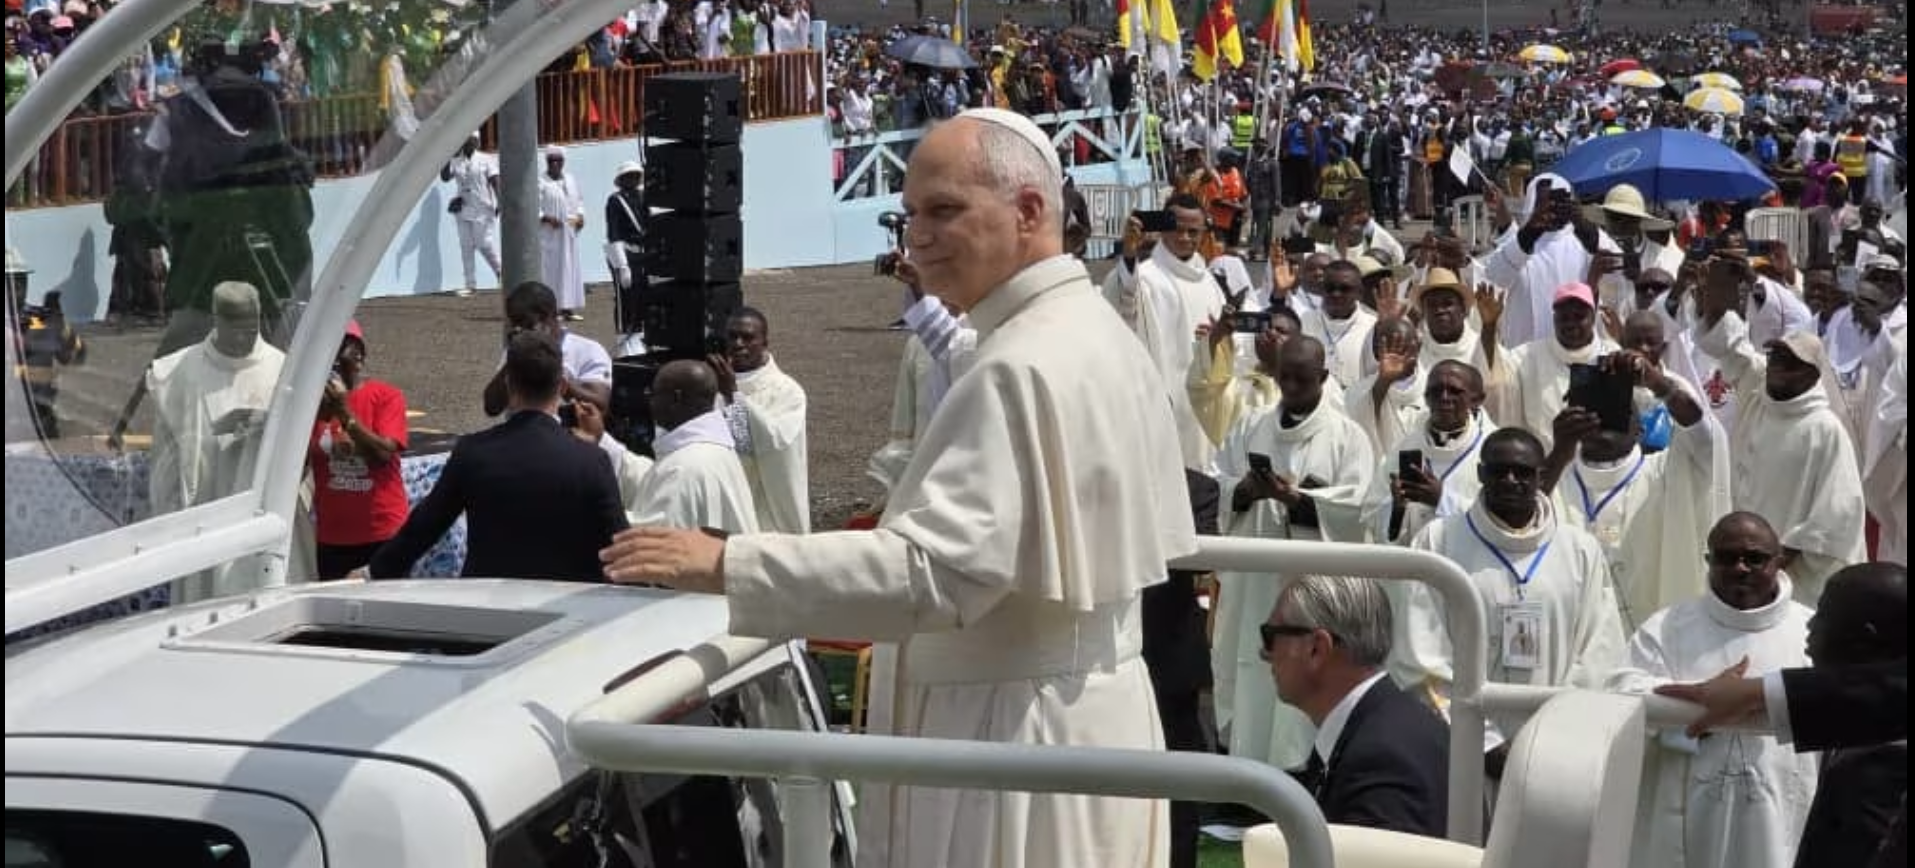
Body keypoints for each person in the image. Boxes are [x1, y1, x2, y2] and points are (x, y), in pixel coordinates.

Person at [600, 108, 1195, 868]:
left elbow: (935, 573)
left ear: (1028, 211)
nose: (917, 236)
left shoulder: (1022, 362)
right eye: (909, 214)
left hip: (1011, 736)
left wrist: (727, 562)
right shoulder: (1088, 328)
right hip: (1080, 719)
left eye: (943, 210)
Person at [1390, 428, 1626, 771]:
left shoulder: (1579, 550)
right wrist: (1485, 745)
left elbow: (1600, 652)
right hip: (1463, 752)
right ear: (1480, 473)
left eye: (1523, 472)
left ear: (1541, 476)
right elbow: (1420, 657)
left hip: (1555, 751)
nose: (1510, 480)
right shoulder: (1438, 541)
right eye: (1499, 471)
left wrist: (1554, 733)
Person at [1656, 564, 1908, 868]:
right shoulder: (1861, 732)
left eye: (1823, 615)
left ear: (1864, 638)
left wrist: (1757, 694)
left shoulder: (1880, 768)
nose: (1810, 625)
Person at [1607, 513, 1818, 868]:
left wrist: (1745, 699)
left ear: (1779, 560)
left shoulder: (1811, 630)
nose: (1740, 567)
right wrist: (1701, 701)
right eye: (1726, 557)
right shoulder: (1668, 627)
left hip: (1781, 811)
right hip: (1686, 816)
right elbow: (1621, 692)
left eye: (1754, 558)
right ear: (1708, 560)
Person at [1211, 336, 1375, 780]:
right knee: (1251, 676)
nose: (1292, 387)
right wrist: (1245, 491)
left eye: (1303, 379)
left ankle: (1305, 778)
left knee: (1304, 687)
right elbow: (1218, 482)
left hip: (1312, 591)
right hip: (1253, 586)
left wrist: (1300, 501)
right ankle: (1243, 784)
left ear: (1324, 377)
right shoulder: (1251, 425)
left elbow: (1359, 510)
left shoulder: (1347, 436)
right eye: (1285, 378)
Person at [370, 331, 628, 580]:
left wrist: (374, 572)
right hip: (565, 602)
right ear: (561, 386)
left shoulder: (473, 453)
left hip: (490, 601)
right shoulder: (592, 461)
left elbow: (424, 526)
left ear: (509, 385)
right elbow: (619, 545)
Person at [1692, 259, 1867, 604]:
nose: (1777, 367)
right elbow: (1729, 345)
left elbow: (1838, 513)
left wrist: (1774, 562)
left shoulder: (1824, 428)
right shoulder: (1758, 396)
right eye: (1775, 358)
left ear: (1812, 375)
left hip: (1791, 575)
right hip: (1743, 568)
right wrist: (1718, 298)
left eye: (1790, 362)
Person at [1540, 348, 1727, 629]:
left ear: (1640, 428)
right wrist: (1558, 453)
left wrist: (1658, 384)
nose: (1602, 422)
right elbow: (1518, 523)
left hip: (1655, 636)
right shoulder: (1555, 480)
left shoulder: (1666, 471)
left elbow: (1707, 440)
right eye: (1592, 412)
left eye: (1615, 410)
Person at [1264, 575, 1450, 838]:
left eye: (1271, 637)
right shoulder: (1385, 726)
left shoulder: (1381, 758)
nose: (1265, 653)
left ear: (1317, 649)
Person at [145, 282, 285, 603]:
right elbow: (164, 461)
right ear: (216, 321)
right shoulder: (181, 370)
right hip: (203, 512)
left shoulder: (282, 368)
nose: (243, 340)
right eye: (235, 331)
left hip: (263, 512)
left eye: (250, 331)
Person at [1103, 193, 1226, 468]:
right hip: (1165, 396)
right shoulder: (1146, 276)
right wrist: (1129, 256)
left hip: (1203, 402)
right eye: (1177, 229)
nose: (1184, 238)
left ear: (1203, 233)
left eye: (1193, 232)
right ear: (1162, 227)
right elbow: (1124, 304)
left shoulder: (1210, 282)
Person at [1151, 470, 1221, 868]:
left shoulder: (1198, 488)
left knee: (1178, 784)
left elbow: (1202, 561)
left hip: (1170, 658)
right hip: (1103, 661)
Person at [307, 320, 410, 579]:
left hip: (382, 535)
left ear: (360, 357)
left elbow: (382, 455)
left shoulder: (386, 397)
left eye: (340, 349)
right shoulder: (309, 406)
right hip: (333, 539)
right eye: (326, 351)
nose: (332, 360)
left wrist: (344, 413)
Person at [1360, 360, 1494, 547]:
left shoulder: (1493, 451)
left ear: (1476, 400)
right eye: (1435, 391)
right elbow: (1370, 516)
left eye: (1454, 391)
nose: (1444, 397)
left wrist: (1442, 499)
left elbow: (1500, 519)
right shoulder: (1404, 447)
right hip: (1413, 560)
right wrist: (1397, 508)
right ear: (1426, 397)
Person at [627, 359, 758, 533]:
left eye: (654, 393)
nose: (650, 401)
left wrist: (602, 512)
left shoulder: (682, 468)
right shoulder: (718, 448)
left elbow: (657, 539)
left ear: (676, 398)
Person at [481, 281, 613, 421]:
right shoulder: (519, 349)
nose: (519, 330)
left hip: (570, 432)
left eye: (526, 323)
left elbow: (600, 405)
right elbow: (492, 407)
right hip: (525, 431)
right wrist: (513, 361)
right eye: (514, 324)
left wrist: (555, 376)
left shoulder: (588, 350)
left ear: (548, 317)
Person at [441, 131, 502, 297]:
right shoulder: (456, 161)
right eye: (466, 139)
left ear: (476, 142)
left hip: (483, 208)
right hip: (463, 208)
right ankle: (470, 285)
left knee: (484, 243)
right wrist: (447, 156)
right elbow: (445, 177)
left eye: (472, 140)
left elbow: (495, 181)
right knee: (466, 246)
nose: (468, 143)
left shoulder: (486, 159)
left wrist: (500, 201)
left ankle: (500, 271)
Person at [538, 146, 587, 322]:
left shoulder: (570, 179)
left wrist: (581, 216)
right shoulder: (540, 182)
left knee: (569, 270)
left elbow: (579, 201)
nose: (555, 163)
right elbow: (534, 206)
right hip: (550, 234)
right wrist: (546, 218)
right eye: (551, 160)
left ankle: (567, 308)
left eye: (558, 160)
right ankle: (552, 310)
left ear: (563, 162)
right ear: (547, 162)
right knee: (551, 272)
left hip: (569, 233)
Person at [603, 160, 647, 349]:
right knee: (625, 300)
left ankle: (640, 339)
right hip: (623, 253)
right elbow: (613, 235)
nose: (633, 179)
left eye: (636, 175)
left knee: (641, 297)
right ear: (621, 180)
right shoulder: (615, 201)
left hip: (642, 254)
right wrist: (622, 266)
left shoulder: (643, 197)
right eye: (629, 176)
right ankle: (624, 342)